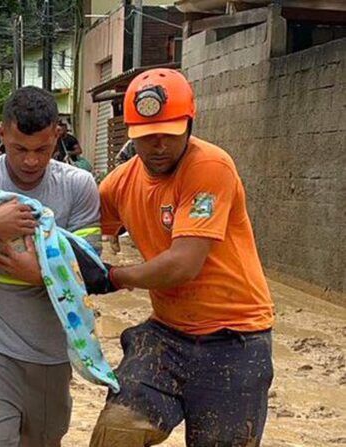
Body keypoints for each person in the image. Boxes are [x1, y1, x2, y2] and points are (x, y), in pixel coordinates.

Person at [90, 68, 274, 446]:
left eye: (169, 135)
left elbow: (183, 265)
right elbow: (78, 234)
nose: (159, 146)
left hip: (235, 340)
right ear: (131, 135)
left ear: (189, 124)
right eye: (147, 137)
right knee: (117, 432)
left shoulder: (210, 167)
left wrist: (114, 276)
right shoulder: (119, 184)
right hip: (167, 336)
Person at [0, 86, 102, 445]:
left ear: (57, 136)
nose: (30, 161)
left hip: (51, 357)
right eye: (19, 149)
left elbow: (91, 270)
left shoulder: (78, 186)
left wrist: (41, 274)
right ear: (1, 134)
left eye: (42, 150)